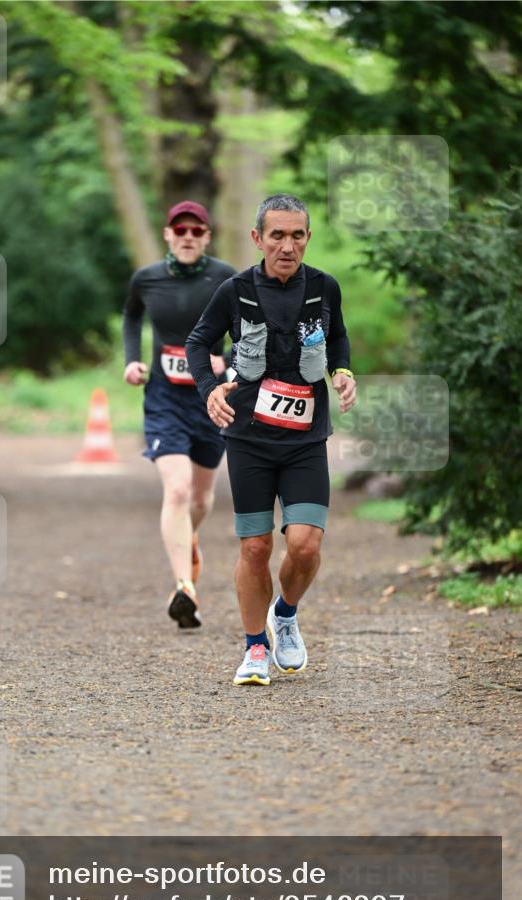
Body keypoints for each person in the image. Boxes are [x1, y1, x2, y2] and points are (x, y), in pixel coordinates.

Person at [186, 194, 357, 684]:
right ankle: (255, 648)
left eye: (297, 235)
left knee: (304, 546)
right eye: (277, 235)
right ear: (258, 239)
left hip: (305, 438)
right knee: (256, 548)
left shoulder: (325, 287)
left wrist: (342, 370)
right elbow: (199, 343)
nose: (288, 245)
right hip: (249, 438)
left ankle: (284, 614)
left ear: (307, 237)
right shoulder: (234, 290)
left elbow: (338, 336)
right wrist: (208, 390)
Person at [123, 201, 237, 628]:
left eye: (196, 230)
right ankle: (183, 587)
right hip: (164, 400)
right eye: (180, 229)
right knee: (177, 490)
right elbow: (131, 316)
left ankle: (187, 538)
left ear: (206, 236)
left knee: (202, 500)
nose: (188, 236)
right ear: (168, 234)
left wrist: (228, 359)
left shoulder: (226, 277)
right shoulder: (147, 278)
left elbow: (247, 327)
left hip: (211, 399)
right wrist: (132, 360)